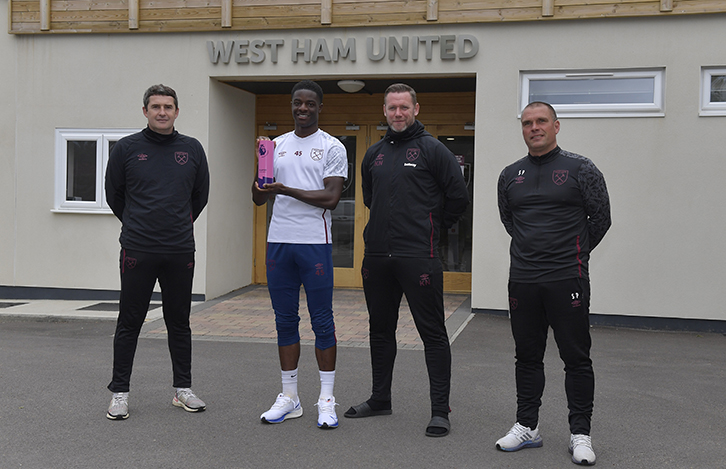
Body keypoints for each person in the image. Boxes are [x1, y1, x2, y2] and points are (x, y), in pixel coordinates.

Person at [344, 83, 469, 438]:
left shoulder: (433, 150)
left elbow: (458, 199)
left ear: (416, 109)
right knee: (380, 330)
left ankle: (439, 410)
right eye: (391, 108)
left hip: (419, 257)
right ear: (384, 112)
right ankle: (380, 398)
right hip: (378, 257)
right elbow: (371, 197)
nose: (398, 113)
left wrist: (428, 228)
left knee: (432, 334)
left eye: (404, 107)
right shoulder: (374, 154)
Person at [495, 101, 611, 466]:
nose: (534, 128)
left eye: (541, 121)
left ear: (556, 126)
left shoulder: (581, 168)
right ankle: (527, 427)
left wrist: (571, 252)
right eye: (527, 123)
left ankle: (580, 434)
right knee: (526, 357)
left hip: (567, 277)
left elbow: (601, 219)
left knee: (575, 358)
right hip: (523, 280)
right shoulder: (509, 175)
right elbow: (509, 221)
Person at [104, 84, 210, 420]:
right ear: (145, 111)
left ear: (177, 112)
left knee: (179, 321)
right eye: (155, 107)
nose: (162, 112)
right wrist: (139, 223)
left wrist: (174, 223)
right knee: (130, 322)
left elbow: (199, 196)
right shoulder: (127, 149)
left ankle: (183, 389)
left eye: (168, 106)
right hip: (138, 249)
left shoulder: (191, 149)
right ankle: (119, 393)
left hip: (179, 249)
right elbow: (114, 195)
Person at [252, 80, 347, 429]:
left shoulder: (332, 146)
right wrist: (261, 174)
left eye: (309, 104)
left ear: (320, 108)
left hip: (314, 243)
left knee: (322, 321)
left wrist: (285, 189)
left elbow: (331, 198)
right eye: (297, 103)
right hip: (279, 242)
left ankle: (326, 399)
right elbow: (259, 197)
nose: (302, 109)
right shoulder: (275, 145)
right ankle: (289, 397)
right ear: (291, 106)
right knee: (284, 320)